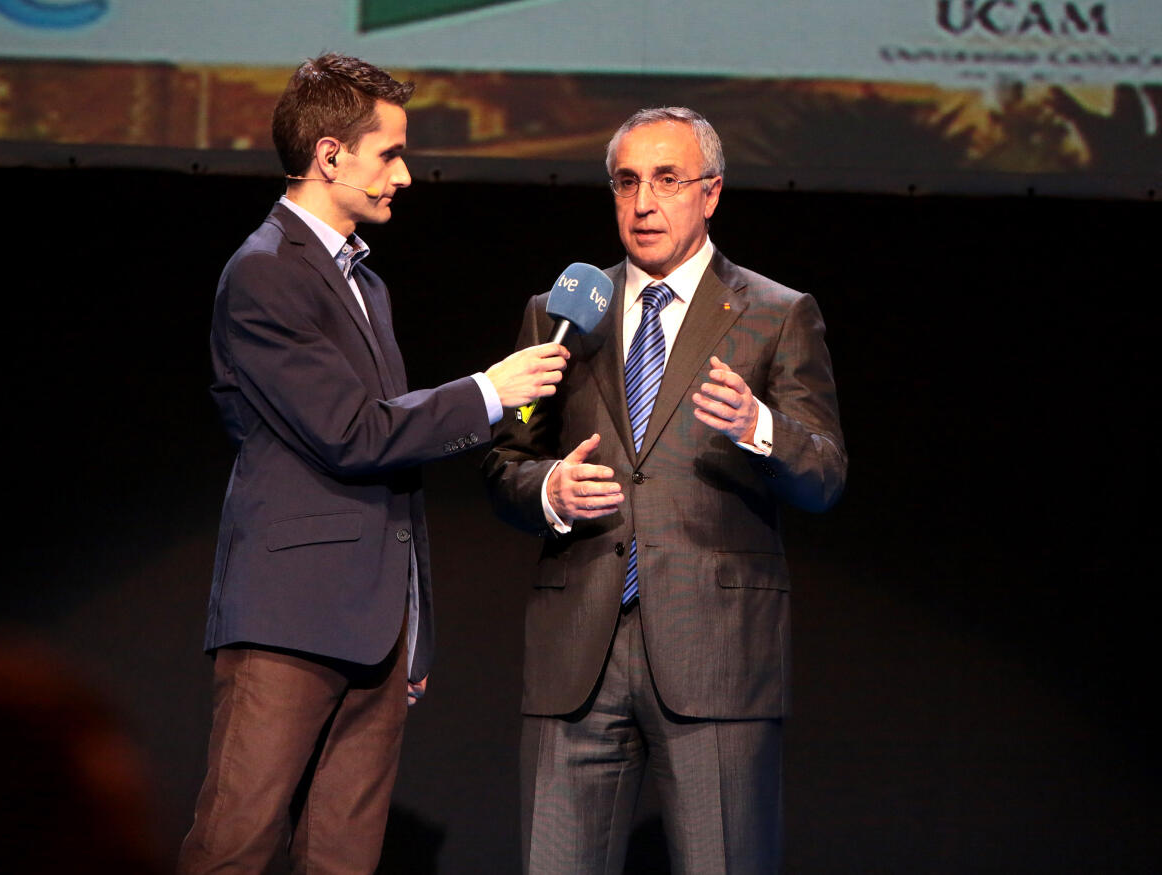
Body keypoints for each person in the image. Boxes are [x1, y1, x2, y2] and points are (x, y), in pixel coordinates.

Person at [178, 53, 568, 874]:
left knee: (345, 858)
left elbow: (393, 464)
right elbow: (353, 434)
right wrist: (488, 392)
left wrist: (411, 632)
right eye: (388, 153)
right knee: (234, 848)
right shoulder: (265, 273)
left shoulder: (363, 281)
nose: (405, 175)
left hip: (373, 628)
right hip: (289, 621)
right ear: (330, 155)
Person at [483, 107, 847, 874]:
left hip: (716, 657)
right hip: (576, 650)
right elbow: (506, 461)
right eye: (626, 182)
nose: (643, 202)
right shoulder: (558, 315)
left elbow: (825, 473)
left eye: (667, 180)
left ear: (710, 193)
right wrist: (549, 488)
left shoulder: (776, 315)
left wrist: (760, 427)